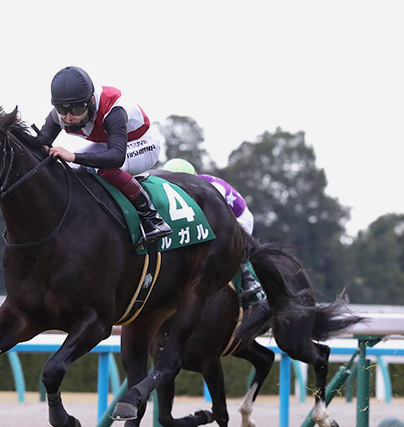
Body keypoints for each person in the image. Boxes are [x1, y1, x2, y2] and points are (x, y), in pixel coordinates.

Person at [33, 66, 171, 247]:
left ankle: (153, 219)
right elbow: (39, 145)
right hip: (110, 144)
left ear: (91, 101)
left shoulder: (113, 109)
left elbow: (116, 157)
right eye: (62, 109)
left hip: (143, 144)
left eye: (77, 109)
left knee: (103, 169)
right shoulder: (60, 114)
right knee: (68, 169)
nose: (69, 117)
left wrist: (73, 155)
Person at [162, 158, 267, 308]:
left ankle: (247, 278)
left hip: (238, 218)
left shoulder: (209, 188)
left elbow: (218, 220)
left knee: (221, 244)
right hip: (220, 216)